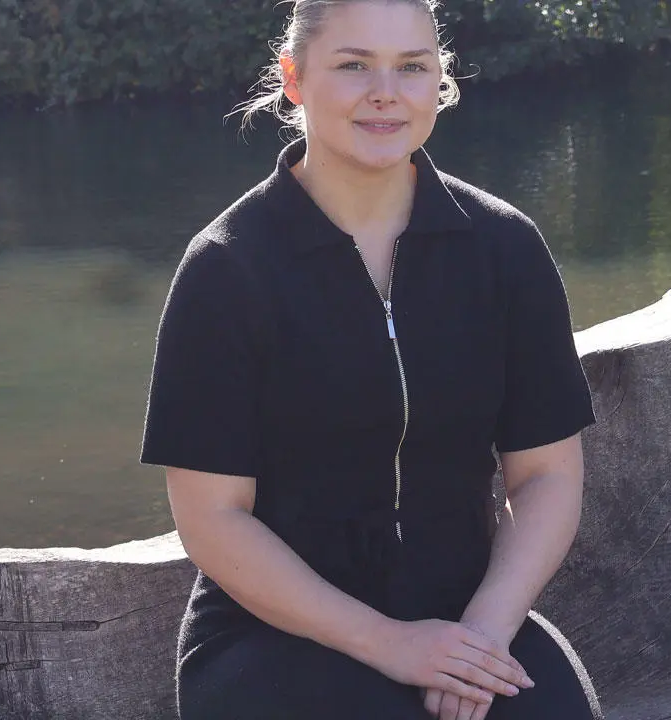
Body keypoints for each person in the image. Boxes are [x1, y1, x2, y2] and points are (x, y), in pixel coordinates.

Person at [138, 1, 606, 718]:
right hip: (274, 637)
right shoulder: (228, 268)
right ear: (294, 79)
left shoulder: (503, 248)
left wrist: (479, 636)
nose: (385, 92)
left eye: (412, 68)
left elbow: (545, 473)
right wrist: (389, 643)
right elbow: (212, 518)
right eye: (353, 65)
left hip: (466, 617)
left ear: (440, 82)